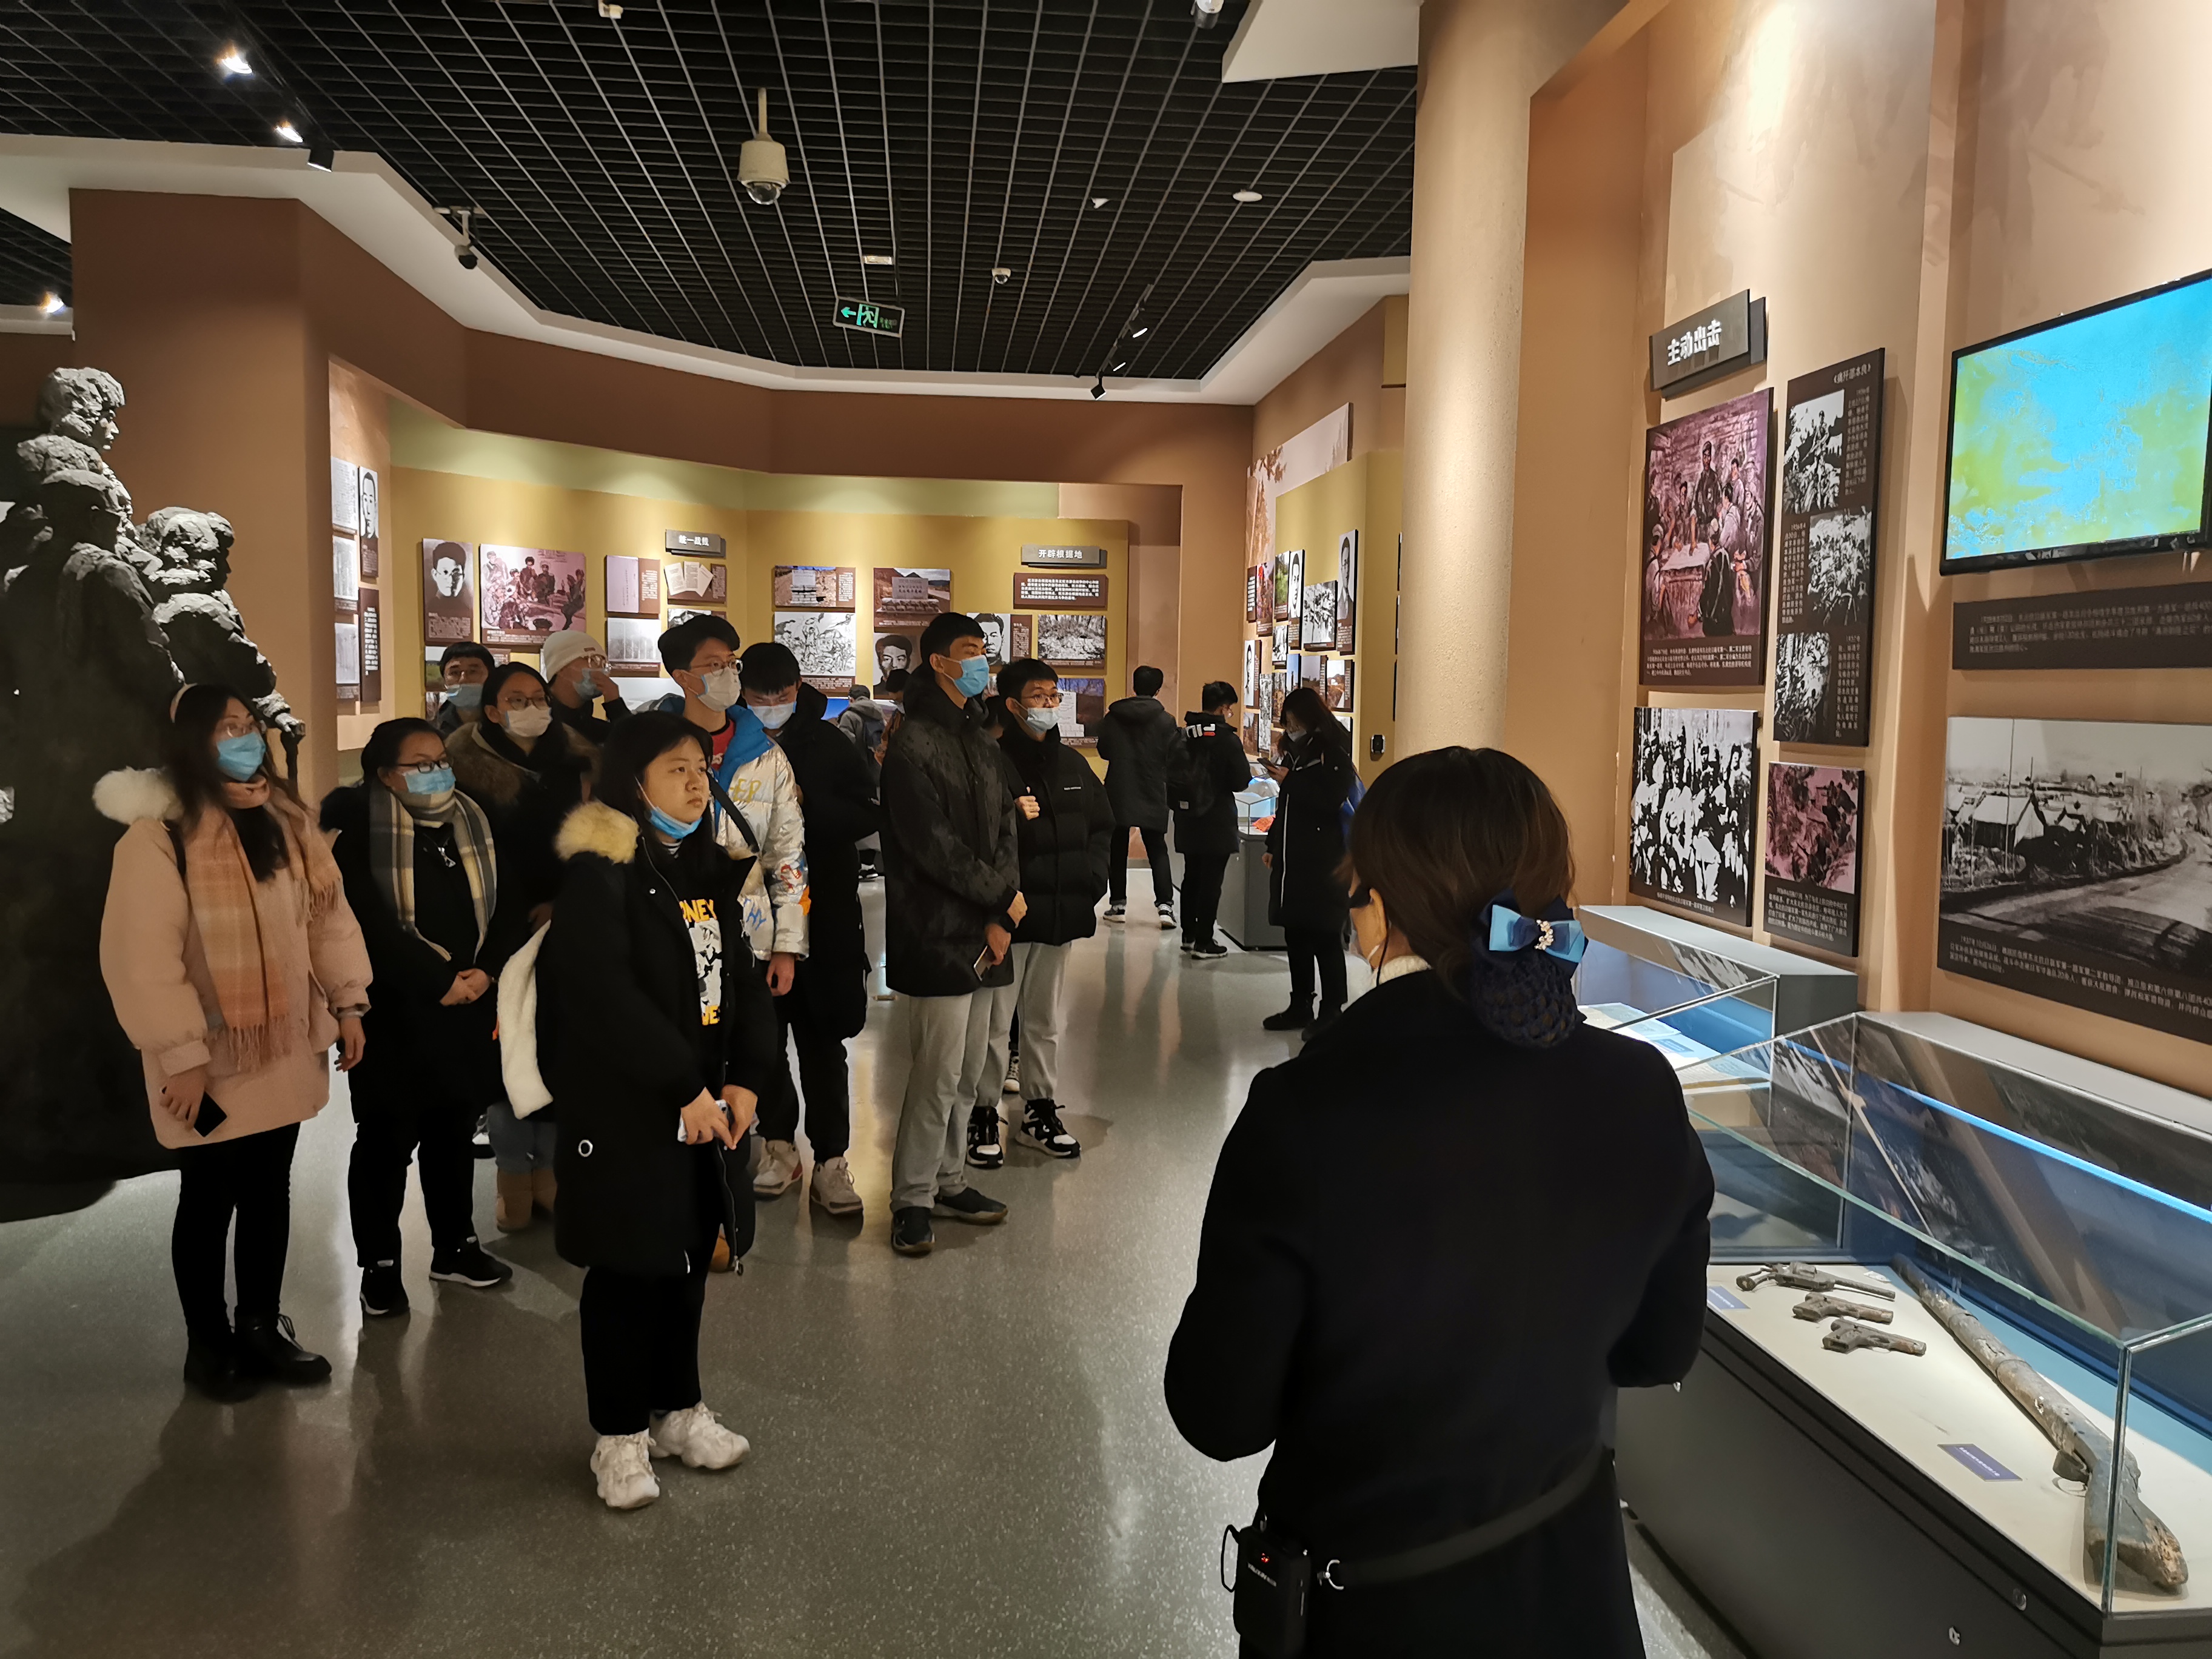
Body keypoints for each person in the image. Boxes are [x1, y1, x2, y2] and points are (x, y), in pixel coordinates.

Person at [1164, 746, 1712, 1657]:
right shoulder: (1640, 1088)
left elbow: (1219, 1414)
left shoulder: (1306, 1111)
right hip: (1567, 1592)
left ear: (1380, 910)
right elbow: (1660, 1349)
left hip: (1370, 1607)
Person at [97, 684, 372, 1401]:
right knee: (208, 1196)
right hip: (208, 1060)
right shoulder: (157, 837)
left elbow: (327, 920)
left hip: (281, 1047)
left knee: (269, 1191)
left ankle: (259, 1326)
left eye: (248, 724)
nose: (245, 738)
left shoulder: (285, 822)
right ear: (191, 742)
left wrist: (348, 1001)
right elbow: (142, 960)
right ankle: (207, 1342)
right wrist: (182, 1057)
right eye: (225, 728)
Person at [537, 712, 779, 1510]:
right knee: (628, 1270)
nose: (696, 782)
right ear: (632, 783)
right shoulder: (599, 876)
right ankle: (618, 1437)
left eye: (701, 768)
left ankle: (678, 1410)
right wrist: (683, 1086)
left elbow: (742, 979)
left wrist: (748, 1078)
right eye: (676, 769)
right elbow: (605, 999)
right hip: (630, 1106)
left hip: (705, 1103)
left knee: (686, 1259)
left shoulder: (705, 867)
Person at [322, 720, 524, 1315]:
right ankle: (379, 1264)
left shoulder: (473, 820)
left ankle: (455, 1246)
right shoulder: (359, 834)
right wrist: (438, 982)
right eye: (420, 763)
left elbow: (508, 902)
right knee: (385, 1143)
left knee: (453, 1133)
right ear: (385, 775)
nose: (438, 771)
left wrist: (485, 972)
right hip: (397, 1013)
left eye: (441, 760)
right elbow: (367, 923)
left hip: (468, 1006)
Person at [880, 611, 1024, 1257]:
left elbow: (1005, 828)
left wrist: (1001, 913)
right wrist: (999, 899)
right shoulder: (912, 743)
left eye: (984, 650)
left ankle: (949, 1178)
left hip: (988, 928)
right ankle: (912, 1196)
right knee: (936, 1072)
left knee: (971, 1070)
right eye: (969, 650)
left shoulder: (981, 738)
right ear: (938, 661)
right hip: (936, 928)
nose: (981, 661)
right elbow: (931, 846)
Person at [738, 642, 879, 1218]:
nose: (772, 704)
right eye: (760, 695)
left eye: (782, 694)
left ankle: (831, 1159)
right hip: (753, 916)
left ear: (799, 688)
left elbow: (867, 810)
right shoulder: (733, 742)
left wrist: (804, 806)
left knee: (823, 1042)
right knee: (762, 1041)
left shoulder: (830, 742)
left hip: (826, 916)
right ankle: (777, 1145)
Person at [967, 657, 1113, 1169]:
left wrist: (1092, 881)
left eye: (1054, 695)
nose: (1049, 704)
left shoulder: (1073, 765)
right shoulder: (988, 762)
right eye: (1038, 696)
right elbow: (974, 838)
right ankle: (983, 1111)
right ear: (1012, 705)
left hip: (1060, 913)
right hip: (1006, 918)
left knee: (1045, 1020)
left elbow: (1102, 827)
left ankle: (1039, 1109)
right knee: (993, 1022)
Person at [656, 614, 807, 997]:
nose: (727, 673)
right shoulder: (653, 752)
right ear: (683, 677)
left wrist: (787, 945)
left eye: (731, 663)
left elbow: (787, 851)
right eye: (713, 665)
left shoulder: (767, 756)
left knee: (754, 1031)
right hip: (673, 927)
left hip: (750, 933)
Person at [446, 660, 597, 924]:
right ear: (493, 712)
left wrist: (566, 900)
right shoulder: (463, 768)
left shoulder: (579, 760)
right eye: (517, 700)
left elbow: (595, 840)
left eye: (540, 699)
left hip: (574, 902)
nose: (532, 707)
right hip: (497, 908)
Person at [1263, 686, 1357, 1037]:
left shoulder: (1333, 750)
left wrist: (1292, 781)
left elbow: (1331, 799)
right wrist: (1273, 845)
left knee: (1325, 935)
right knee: (1297, 934)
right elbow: (1285, 807)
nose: (1291, 729)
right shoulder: (1295, 753)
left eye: (1295, 722)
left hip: (1324, 860)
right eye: (1287, 723)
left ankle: (1332, 1009)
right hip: (1293, 859)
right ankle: (1300, 1004)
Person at [1172, 681, 1252, 961]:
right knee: (1212, 881)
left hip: (1187, 816)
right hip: (1216, 817)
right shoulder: (1227, 740)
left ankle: (1188, 935)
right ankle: (1205, 941)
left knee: (1192, 876)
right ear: (1222, 708)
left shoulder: (1184, 734)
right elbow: (1241, 780)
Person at [1098, 665, 1179, 927]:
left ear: (1134, 686)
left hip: (1119, 788)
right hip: (1153, 787)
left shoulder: (1114, 717)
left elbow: (1104, 751)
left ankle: (1118, 905)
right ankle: (1165, 906)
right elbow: (1173, 756)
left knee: (1117, 847)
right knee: (1157, 848)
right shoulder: (1166, 721)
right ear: (1158, 689)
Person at [542, 629, 631, 744]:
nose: (601, 669)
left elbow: (638, 747)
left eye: (604, 663)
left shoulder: (601, 732)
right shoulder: (541, 727)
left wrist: (616, 706)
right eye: (593, 660)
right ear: (561, 668)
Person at [434, 642, 495, 735]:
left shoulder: (507, 726)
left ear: (491, 677)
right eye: (455, 673)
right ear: (444, 681)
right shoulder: (434, 731)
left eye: (473, 671)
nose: (463, 679)